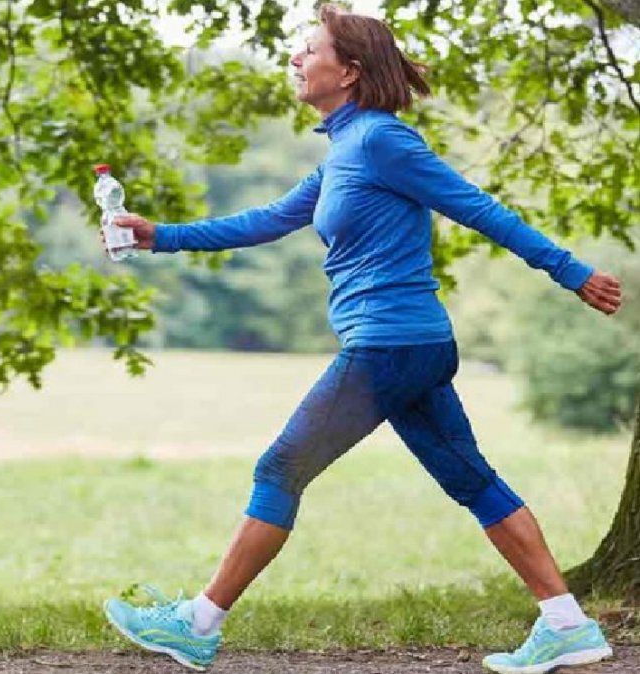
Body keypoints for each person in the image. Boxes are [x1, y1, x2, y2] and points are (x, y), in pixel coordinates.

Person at [100, 5, 625, 674]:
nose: (294, 59)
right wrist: (159, 236)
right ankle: (567, 623)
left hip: (389, 346)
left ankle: (199, 624)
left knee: (279, 469)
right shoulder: (344, 151)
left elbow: (478, 208)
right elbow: (267, 220)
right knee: (471, 480)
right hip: (409, 348)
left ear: (348, 71)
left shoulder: (383, 141)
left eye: (308, 49)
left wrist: (570, 272)